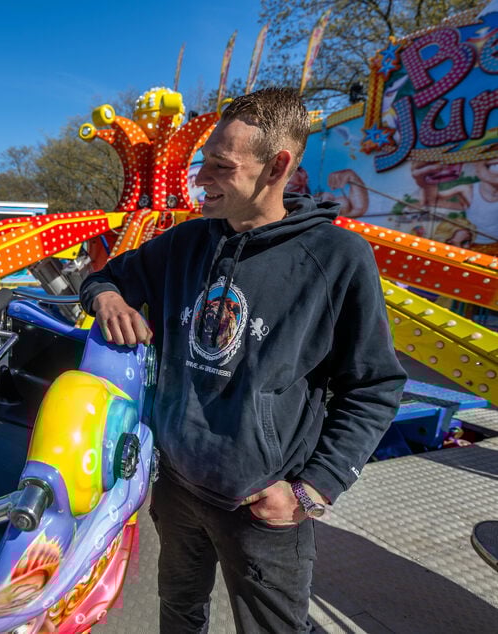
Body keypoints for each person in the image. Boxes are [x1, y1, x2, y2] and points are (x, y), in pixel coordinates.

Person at [79, 87, 406, 633]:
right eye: (203, 161)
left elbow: (374, 386)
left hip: (262, 507)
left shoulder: (337, 259)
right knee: (179, 614)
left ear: (277, 166)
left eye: (220, 166)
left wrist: (312, 490)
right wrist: (108, 299)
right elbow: (102, 277)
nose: (199, 179)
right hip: (178, 492)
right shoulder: (182, 243)